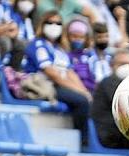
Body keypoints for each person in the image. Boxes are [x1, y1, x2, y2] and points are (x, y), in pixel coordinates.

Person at [24, 10, 92, 146]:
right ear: (42, 25)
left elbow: (70, 73)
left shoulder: (59, 49)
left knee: (88, 98)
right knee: (81, 101)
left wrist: (84, 90)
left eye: (58, 23)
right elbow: (52, 74)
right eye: (50, 22)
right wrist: (80, 92)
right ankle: (83, 142)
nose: (54, 26)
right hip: (43, 85)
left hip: (59, 85)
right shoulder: (38, 45)